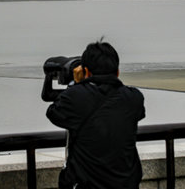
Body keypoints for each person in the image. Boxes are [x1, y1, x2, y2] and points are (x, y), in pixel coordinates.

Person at [44, 41, 145, 189]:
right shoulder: (134, 98)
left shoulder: (76, 96)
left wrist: (76, 84)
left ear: (86, 72)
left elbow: (54, 113)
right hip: (125, 184)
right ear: (117, 72)